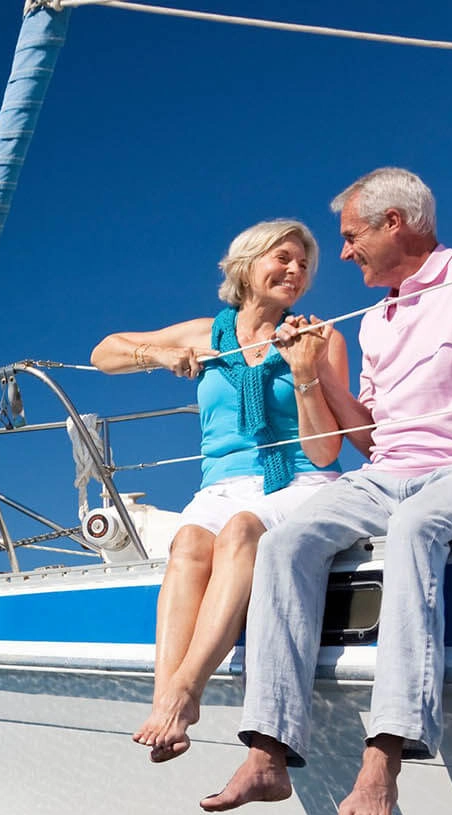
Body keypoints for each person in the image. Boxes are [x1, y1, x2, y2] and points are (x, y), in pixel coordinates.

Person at [202, 168, 452, 815]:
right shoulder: (376, 321)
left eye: (349, 237)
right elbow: (370, 437)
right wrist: (309, 372)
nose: (341, 254)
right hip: (389, 471)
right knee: (284, 542)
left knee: (415, 528)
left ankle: (385, 753)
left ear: (393, 222)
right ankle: (268, 751)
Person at [91, 218, 350, 762]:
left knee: (240, 532)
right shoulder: (204, 332)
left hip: (299, 477)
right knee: (187, 546)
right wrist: (158, 357)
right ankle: (165, 698)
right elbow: (104, 353)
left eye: (303, 264)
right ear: (246, 266)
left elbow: (327, 452)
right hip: (222, 483)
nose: (295, 270)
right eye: (282, 258)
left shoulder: (321, 338)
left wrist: (303, 371)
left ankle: (185, 693)